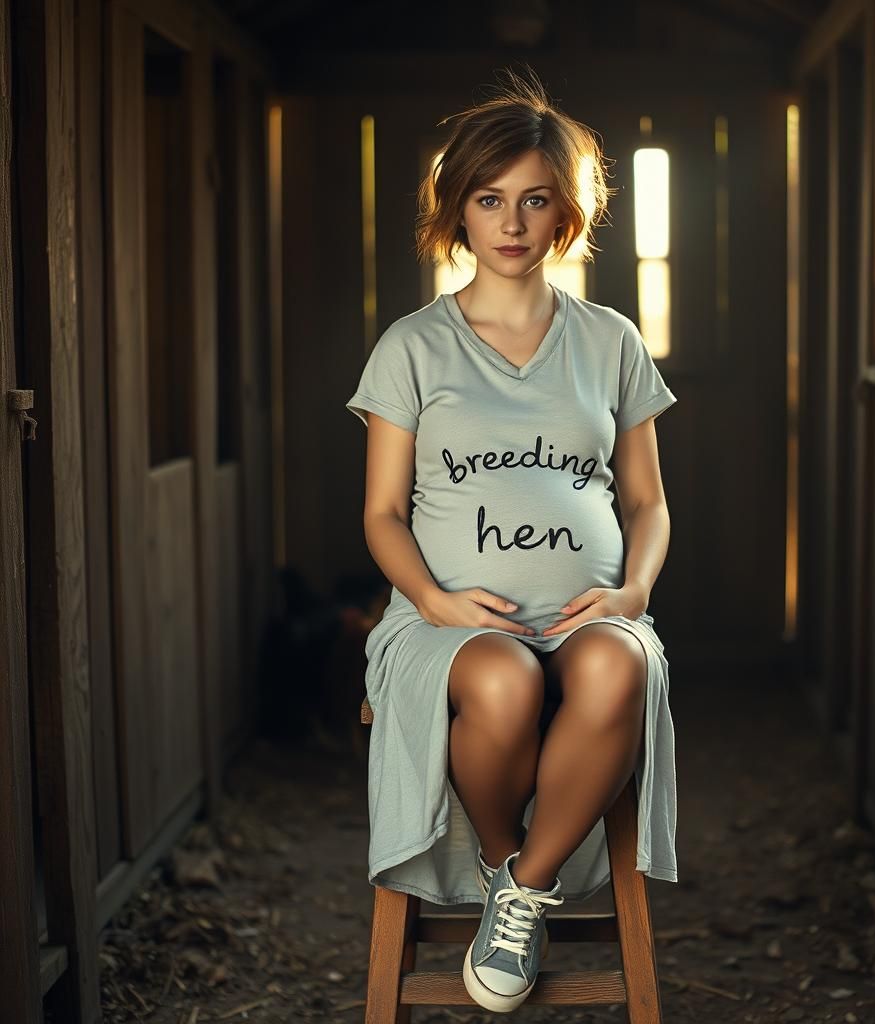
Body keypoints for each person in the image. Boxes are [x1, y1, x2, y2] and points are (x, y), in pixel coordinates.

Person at [345, 66, 678, 1014]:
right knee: (502, 676)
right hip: (448, 625)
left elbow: (649, 504)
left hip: (589, 617)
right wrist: (435, 601)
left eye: (535, 200)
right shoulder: (412, 346)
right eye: (490, 199)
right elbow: (381, 513)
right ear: (460, 211)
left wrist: (633, 595)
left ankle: (520, 893)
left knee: (617, 668)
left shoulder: (611, 339)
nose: (513, 222)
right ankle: (505, 862)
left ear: (564, 213)